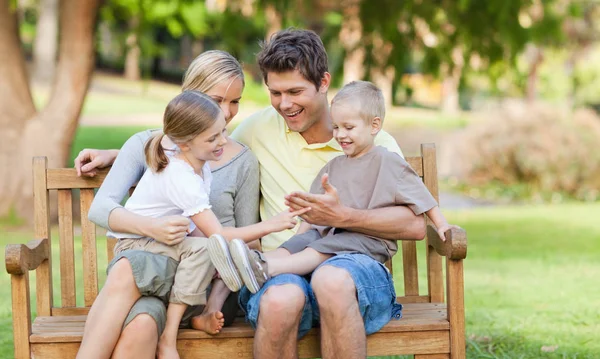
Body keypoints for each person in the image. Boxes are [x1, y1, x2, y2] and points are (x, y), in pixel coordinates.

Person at [228, 29, 427, 358]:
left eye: (295, 91)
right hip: (284, 268)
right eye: (275, 93)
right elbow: (200, 147)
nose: (285, 104)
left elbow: (415, 225)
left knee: (331, 280)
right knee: (280, 300)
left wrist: (343, 217)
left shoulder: (372, 143)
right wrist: (129, 153)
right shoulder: (256, 129)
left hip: (354, 272)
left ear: (323, 82)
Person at [75, 51, 263, 359]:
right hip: (147, 280)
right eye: (217, 100)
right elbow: (99, 210)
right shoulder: (147, 145)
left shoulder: (243, 161)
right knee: (141, 324)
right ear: (189, 95)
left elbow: (248, 239)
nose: (227, 113)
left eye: (235, 101)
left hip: (202, 290)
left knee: (127, 273)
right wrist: (154, 229)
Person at [213, 80, 459, 294]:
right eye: (336, 127)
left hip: (367, 241)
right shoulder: (335, 166)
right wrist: (299, 234)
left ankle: (267, 268)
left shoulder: (388, 162)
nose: (341, 135)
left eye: (349, 128)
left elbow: (424, 199)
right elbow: (314, 210)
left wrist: (442, 225)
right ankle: (247, 264)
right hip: (333, 234)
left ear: (374, 126)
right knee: (298, 244)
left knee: (319, 249)